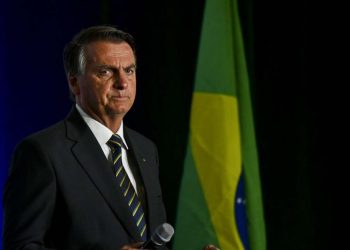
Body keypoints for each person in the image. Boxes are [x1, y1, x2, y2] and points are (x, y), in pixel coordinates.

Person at [3, 25, 168, 250]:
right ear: (74, 83)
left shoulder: (146, 149)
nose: (123, 83)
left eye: (129, 70)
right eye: (106, 72)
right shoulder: (42, 152)